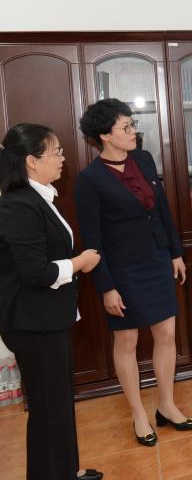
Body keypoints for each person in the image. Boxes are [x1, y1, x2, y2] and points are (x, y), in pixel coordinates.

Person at [75, 99, 192, 447]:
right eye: (126, 127)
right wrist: (106, 287)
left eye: (133, 124)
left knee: (167, 333)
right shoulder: (89, 180)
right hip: (122, 269)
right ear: (104, 135)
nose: (134, 131)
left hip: (156, 259)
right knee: (127, 341)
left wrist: (174, 252)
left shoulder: (143, 159)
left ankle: (167, 405)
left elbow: (163, 211)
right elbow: (92, 241)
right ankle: (138, 413)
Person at [0, 123, 103, 480]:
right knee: (48, 409)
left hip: (47, 318)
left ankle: (66, 469)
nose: (62, 158)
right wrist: (79, 262)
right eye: (56, 152)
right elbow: (36, 272)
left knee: (57, 403)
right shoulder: (17, 205)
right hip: (32, 322)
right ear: (31, 160)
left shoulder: (39, 196)